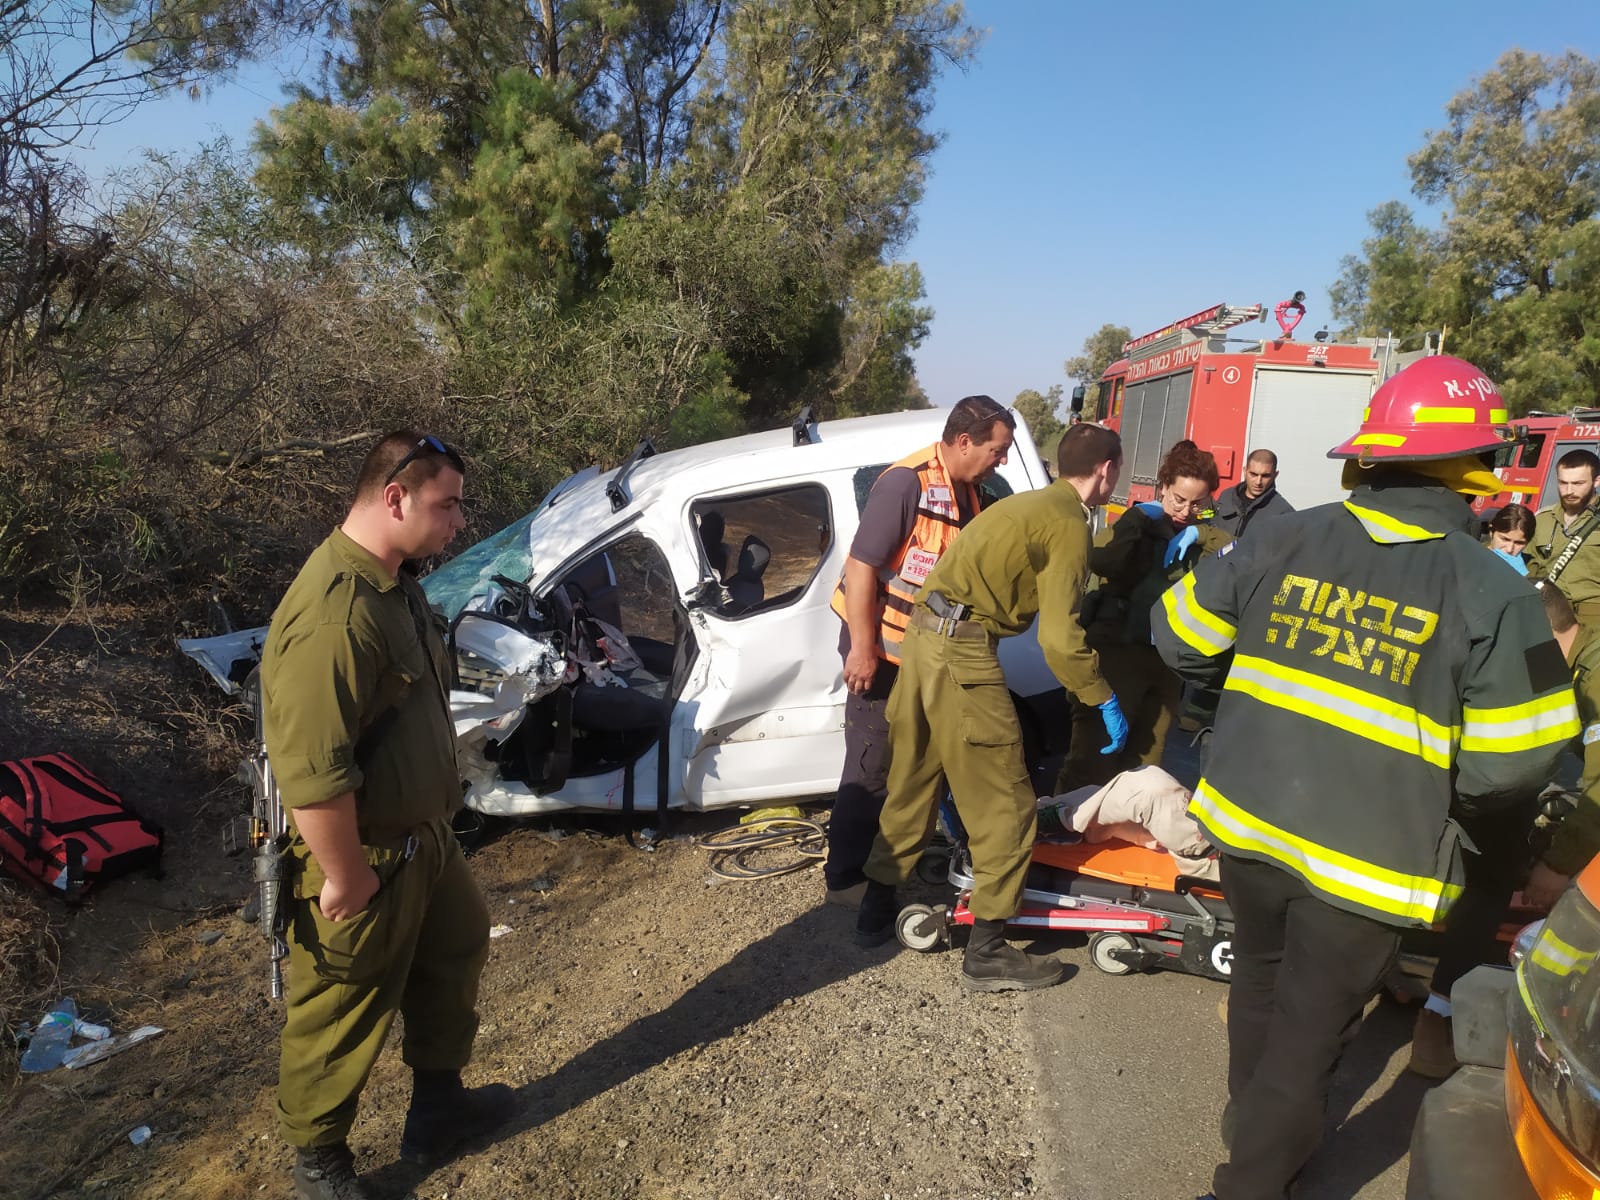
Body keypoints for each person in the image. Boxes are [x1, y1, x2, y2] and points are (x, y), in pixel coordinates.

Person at [1152, 356, 1579, 1200]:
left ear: (1372, 454)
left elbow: (1177, 635)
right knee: (1309, 1035)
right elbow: (1516, 760)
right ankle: (1250, 1180)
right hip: (1369, 859)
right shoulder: (1494, 591)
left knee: (1260, 988)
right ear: (1476, 469)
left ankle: (1253, 1131)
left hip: (1249, 822)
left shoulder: (1282, 534)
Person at [261, 432, 512, 1200]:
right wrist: (345, 875)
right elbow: (313, 773)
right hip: (365, 852)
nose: (460, 522)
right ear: (395, 497)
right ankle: (320, 1165)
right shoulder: (335, 615)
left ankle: (438, 1110)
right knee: (342, 1007)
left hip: (423, 839)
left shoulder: (393, 585)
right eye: (448, 505)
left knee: (456, 948)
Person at [856, 423, 1129, 991]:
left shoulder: (1023, 506)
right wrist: (1100, 694)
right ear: (1106, 470)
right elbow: (1060, 638)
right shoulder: (1068, 523)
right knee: (1007, 802)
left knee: (913, 781)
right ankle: (988, 948)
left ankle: (875, 908)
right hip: (962, 653)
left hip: (921, 642)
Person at [823, 396, 1016, 906]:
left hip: (922, 653)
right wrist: (862, 648)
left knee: (912, 762)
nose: (1002, 461)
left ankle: (888, 861)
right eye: (997, 451)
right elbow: (861, 566)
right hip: (879, 650)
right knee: (871, 764)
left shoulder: (969, 492)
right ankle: (844, 879)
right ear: (965, 441)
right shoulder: (906, 484)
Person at [1409, 580, 1600, 1078]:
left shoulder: (1593, 672)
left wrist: (1557, 865)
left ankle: (1444, 1017)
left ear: (1540, 634)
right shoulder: (1563, 659)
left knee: (1495, 872)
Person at [1061, 442, 1232, 790]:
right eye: (1178, 499)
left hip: (1167, 666)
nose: (1186, 511)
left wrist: (1202, 532)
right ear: (1163, 487)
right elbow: (1101, 559)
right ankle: (1067, 821)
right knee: (1092, 763)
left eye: (1197, 503)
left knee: (1145, 770)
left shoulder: (1201, 535)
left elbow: (1239, 555)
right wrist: (1137, 520)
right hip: (1118, 652)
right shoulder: (1137, 525)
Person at [1528, 449, 1600, 622]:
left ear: (1596, 481)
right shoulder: (1542, 519)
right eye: (1562, 483)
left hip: (1593, 616)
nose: (1569, 491)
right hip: (1550, 613)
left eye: (1578, 483)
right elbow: (1529, 567)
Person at [1212, 450, 1294, 538]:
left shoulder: (1283, 512)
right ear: (1245, 471)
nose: (1258, 482)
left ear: (1275, 475)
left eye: (1265, 476)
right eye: (1253, 474)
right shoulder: (1227, 496)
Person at [1483, 502, 1536, 576]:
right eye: (1505, 539)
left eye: (1519, 543)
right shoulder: (1472, 554)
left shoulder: (1532, 566)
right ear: (1492, 532)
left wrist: (1524, 577)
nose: (1509, 549)